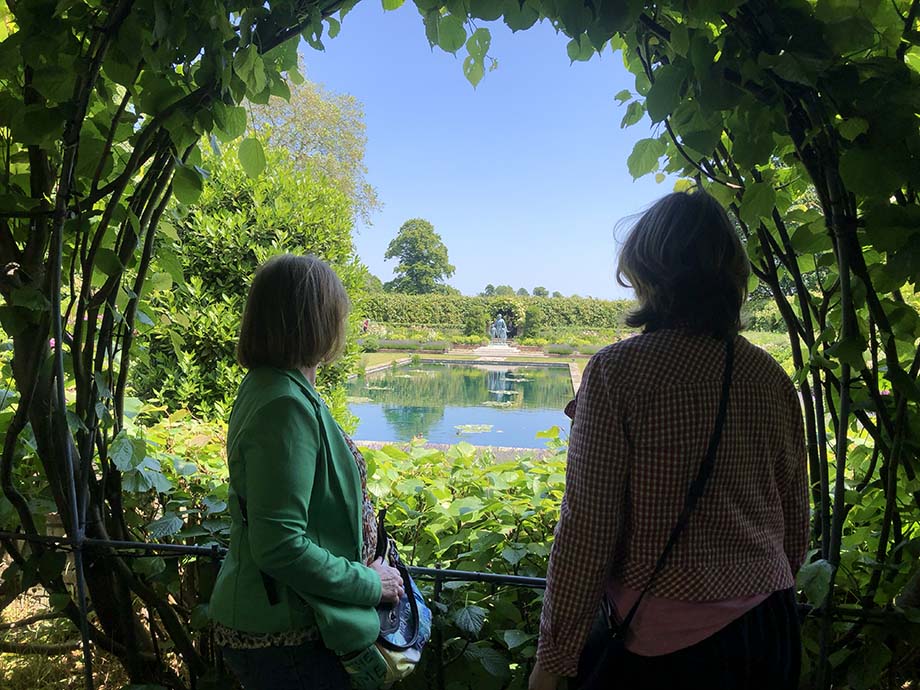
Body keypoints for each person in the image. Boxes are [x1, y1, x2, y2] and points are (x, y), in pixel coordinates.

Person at [529, 191, 809, 690]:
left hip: (666, 645)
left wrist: (552, 660)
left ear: (649, 273)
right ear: (732, 276)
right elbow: (794, 524)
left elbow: (587, 529)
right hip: (770, 627)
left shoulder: (619, 373)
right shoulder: (769, 376)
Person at [209, 254, 404, 690]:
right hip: (286, 634)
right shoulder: (284, 404)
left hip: (293, 626)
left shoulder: (278, 387)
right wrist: (368, 583)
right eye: (338, 313)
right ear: (316, 320)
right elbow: (279, 545)